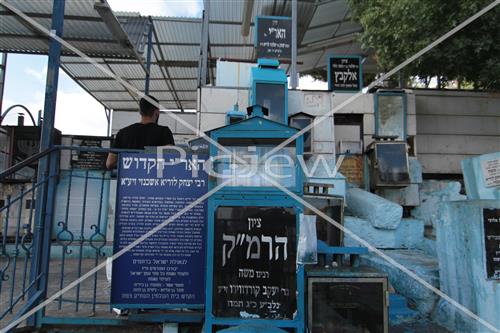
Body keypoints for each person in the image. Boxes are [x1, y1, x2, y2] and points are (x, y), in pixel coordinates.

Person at [106, 95, 175, 169]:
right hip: (154, 178)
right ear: (157, 112)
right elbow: (172, 158)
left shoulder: (122, 133)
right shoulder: (164, 132)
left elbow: (109, 163)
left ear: (140, 112)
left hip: (128, 178)